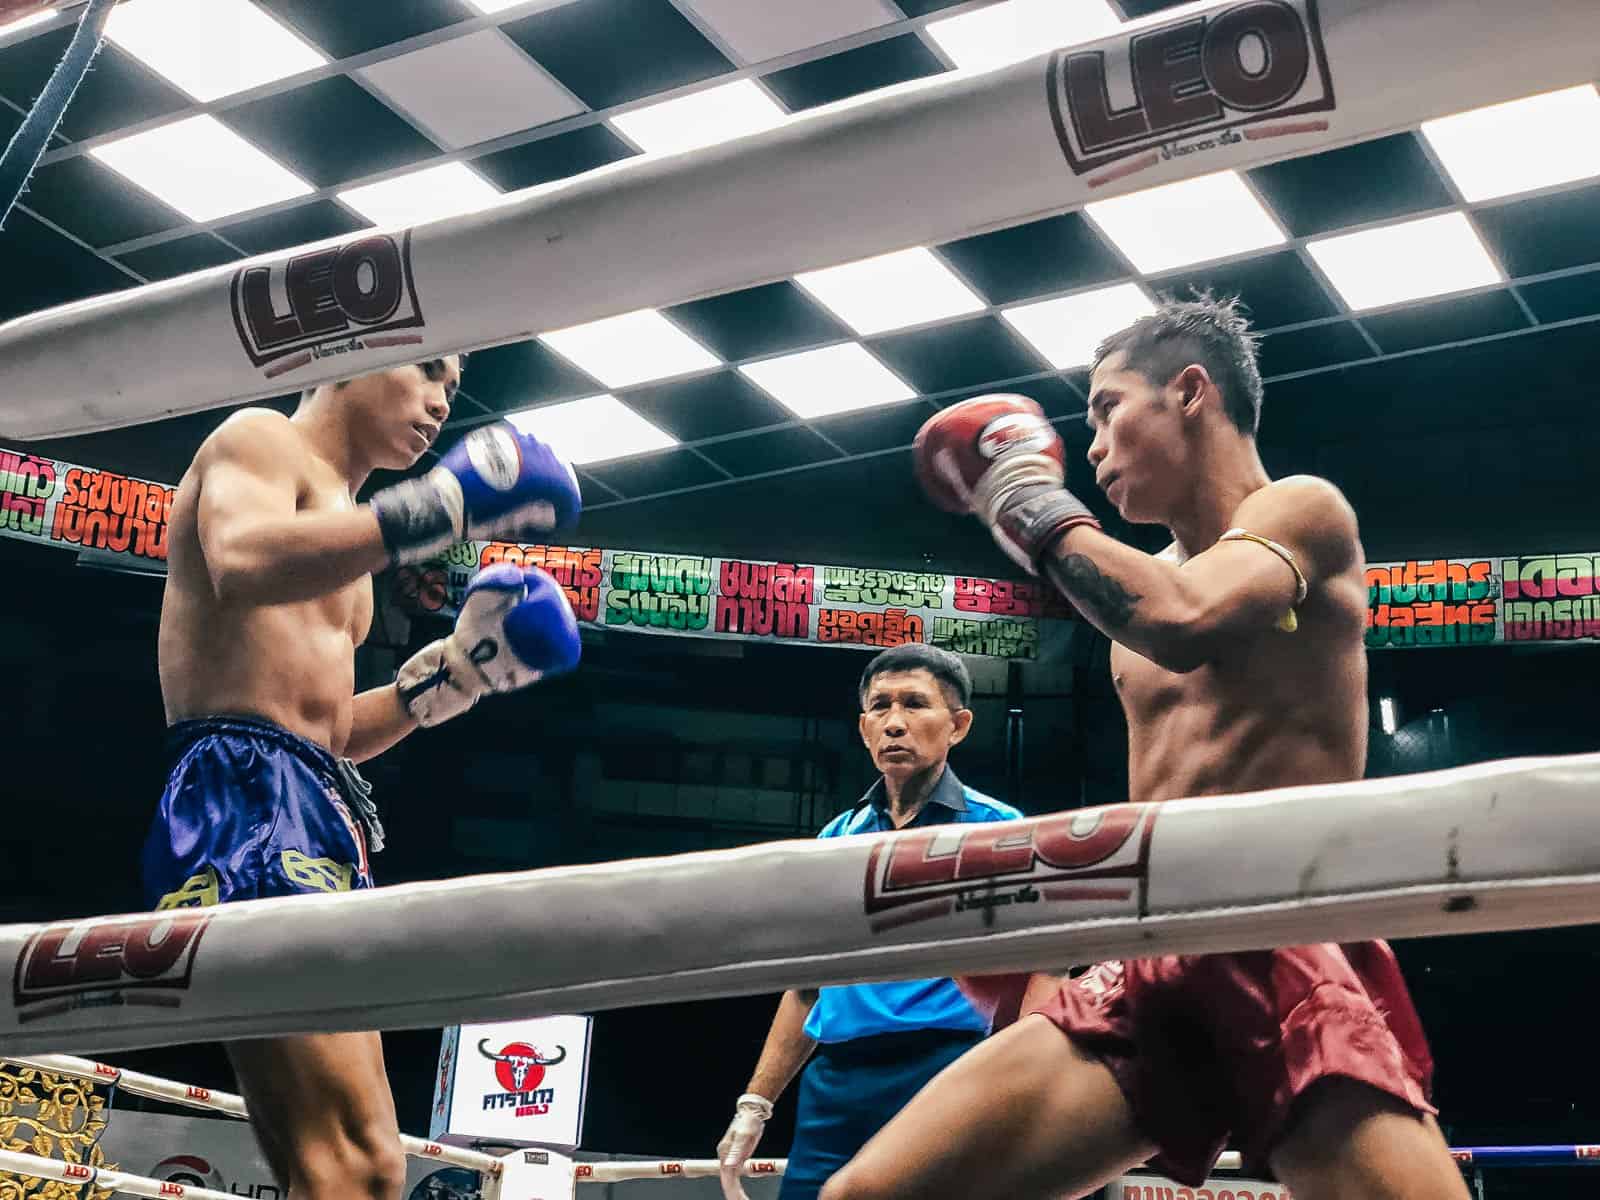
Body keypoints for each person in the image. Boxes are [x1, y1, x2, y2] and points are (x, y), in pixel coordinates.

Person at [821, 296, 1469, 1200]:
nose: (1089, 446)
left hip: (1277, 935)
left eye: (1106, 408)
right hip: (1152, 958)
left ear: (1191, 392)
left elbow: (1185, 621)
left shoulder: (1303, 512)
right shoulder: (1132, 598)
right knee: (868, 1195)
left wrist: (1020, 496)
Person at [142, 357, 585, 1200]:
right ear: (349, 360)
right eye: (428, 370)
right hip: (242, 791)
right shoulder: (262, 440)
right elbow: (239, 558)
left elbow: (334, 730)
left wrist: (458, 675)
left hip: (311, 799)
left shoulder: (346, 540)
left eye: (453, 386)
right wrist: (435, 512)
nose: (441, 400)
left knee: (362, 1162)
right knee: (347, 1163)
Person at [717, 644, 1022, 1200]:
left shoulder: (999, 832)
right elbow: (807, 984)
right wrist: (755, 1104)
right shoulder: (838, 837)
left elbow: (1035, 981)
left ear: (958, 725)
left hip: (947, 1070)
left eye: (915, 705)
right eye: (881, 707)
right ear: (863, 728)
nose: (896, 723)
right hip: (835, 1084)